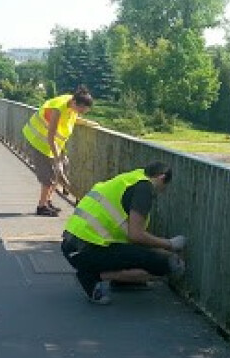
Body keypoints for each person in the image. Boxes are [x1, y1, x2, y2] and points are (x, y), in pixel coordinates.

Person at [60, 162, 187, 305]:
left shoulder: (131, 179)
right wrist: (169, 245)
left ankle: (120, 281)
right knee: (165, 264)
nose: (163, 192)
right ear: (161, 177)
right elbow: (136, 236)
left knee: (142, 255)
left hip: (73, 245)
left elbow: (130, 238)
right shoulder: (144, 189)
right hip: (87, 250)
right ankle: (92, 275)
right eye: (165, 187)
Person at [22, 85, 93, 217]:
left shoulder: (71, 104)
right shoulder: (58, 109)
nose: (80, 113)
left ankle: (48, 201)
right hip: (39, 141)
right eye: (81, 110)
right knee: (49, 174)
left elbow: (72, 119)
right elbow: (50, 136)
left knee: (62, 169)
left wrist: (87, 123)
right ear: (75, 103)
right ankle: (41, 206)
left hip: (54, 144)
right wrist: (56, 159)